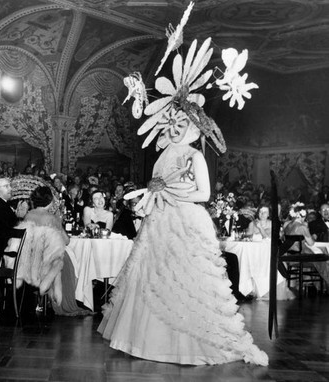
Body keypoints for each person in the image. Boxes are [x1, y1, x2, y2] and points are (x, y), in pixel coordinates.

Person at [98, 120, 268, 365]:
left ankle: (187, 341)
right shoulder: (163, 155)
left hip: (185, 219)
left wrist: (172, 193)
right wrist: (155, 191)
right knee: (153, 275)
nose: (174, 131)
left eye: (180, 126)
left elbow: (205, 194)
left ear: (191, 129)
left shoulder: (194, 155)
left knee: (184, 278)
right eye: (171, 126)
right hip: (159, 219)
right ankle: (145, 339)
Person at [17, 186, 92, 316]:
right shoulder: (51, 218)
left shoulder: (29, 214)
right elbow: (66, 241)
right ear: (50, 200)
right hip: (47, 259)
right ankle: (67, 301)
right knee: (71, 260)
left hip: (30, 257)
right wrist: (59, 221)